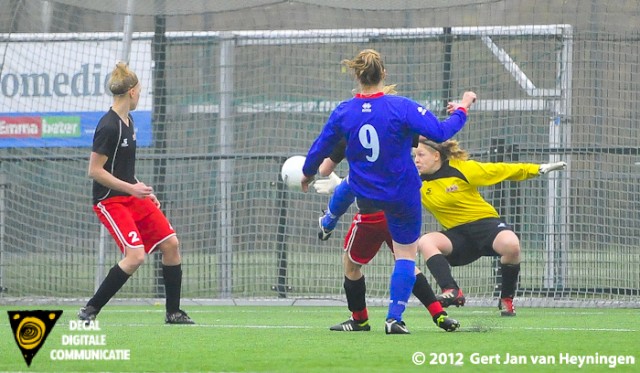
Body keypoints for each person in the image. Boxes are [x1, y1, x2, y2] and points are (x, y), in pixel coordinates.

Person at [300, 48, 476, 334]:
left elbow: (320, 148)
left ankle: (328, 222)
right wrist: (463, 108)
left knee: (349, 184)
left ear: (357, 75)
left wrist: (307, 174)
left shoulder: (344, 112)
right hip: (402, 195)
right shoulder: (401, 107)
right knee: (406, 258)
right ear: (384, 74)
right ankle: (394, 319)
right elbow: (442, 133)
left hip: (368, 197)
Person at [78, 61, 194, 324]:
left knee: (171, 245)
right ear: (131, 92)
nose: (140, 95)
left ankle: (173, 312)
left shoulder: (128, 121)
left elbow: (123, 170)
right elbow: (95, 171)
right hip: (110, 201)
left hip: (130, 195)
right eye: (140, 91)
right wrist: (132, 189)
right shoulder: (108, 126)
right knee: (135, 256)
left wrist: (141, 189)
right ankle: (90, 310)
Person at [413, 138, 567, 316]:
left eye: (421, 155)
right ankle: (452, 291)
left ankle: (506, 299)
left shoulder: (462, 168)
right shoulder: (415, 182)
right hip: (457, 235)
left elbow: (500, 170)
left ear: (436, 156)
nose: (416, 160)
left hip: (485, 224)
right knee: (425, 241)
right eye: (414, 155)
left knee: (511, 245)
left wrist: (536, 169)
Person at [315, 149, 460, 333]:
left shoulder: (361, 146)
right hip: (400, 214)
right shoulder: (398, 149)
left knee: (351, 265)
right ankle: (437, 315)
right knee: (406, 263)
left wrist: (328, 222)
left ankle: (359, 320)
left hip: (371, 217)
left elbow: (340, 185)